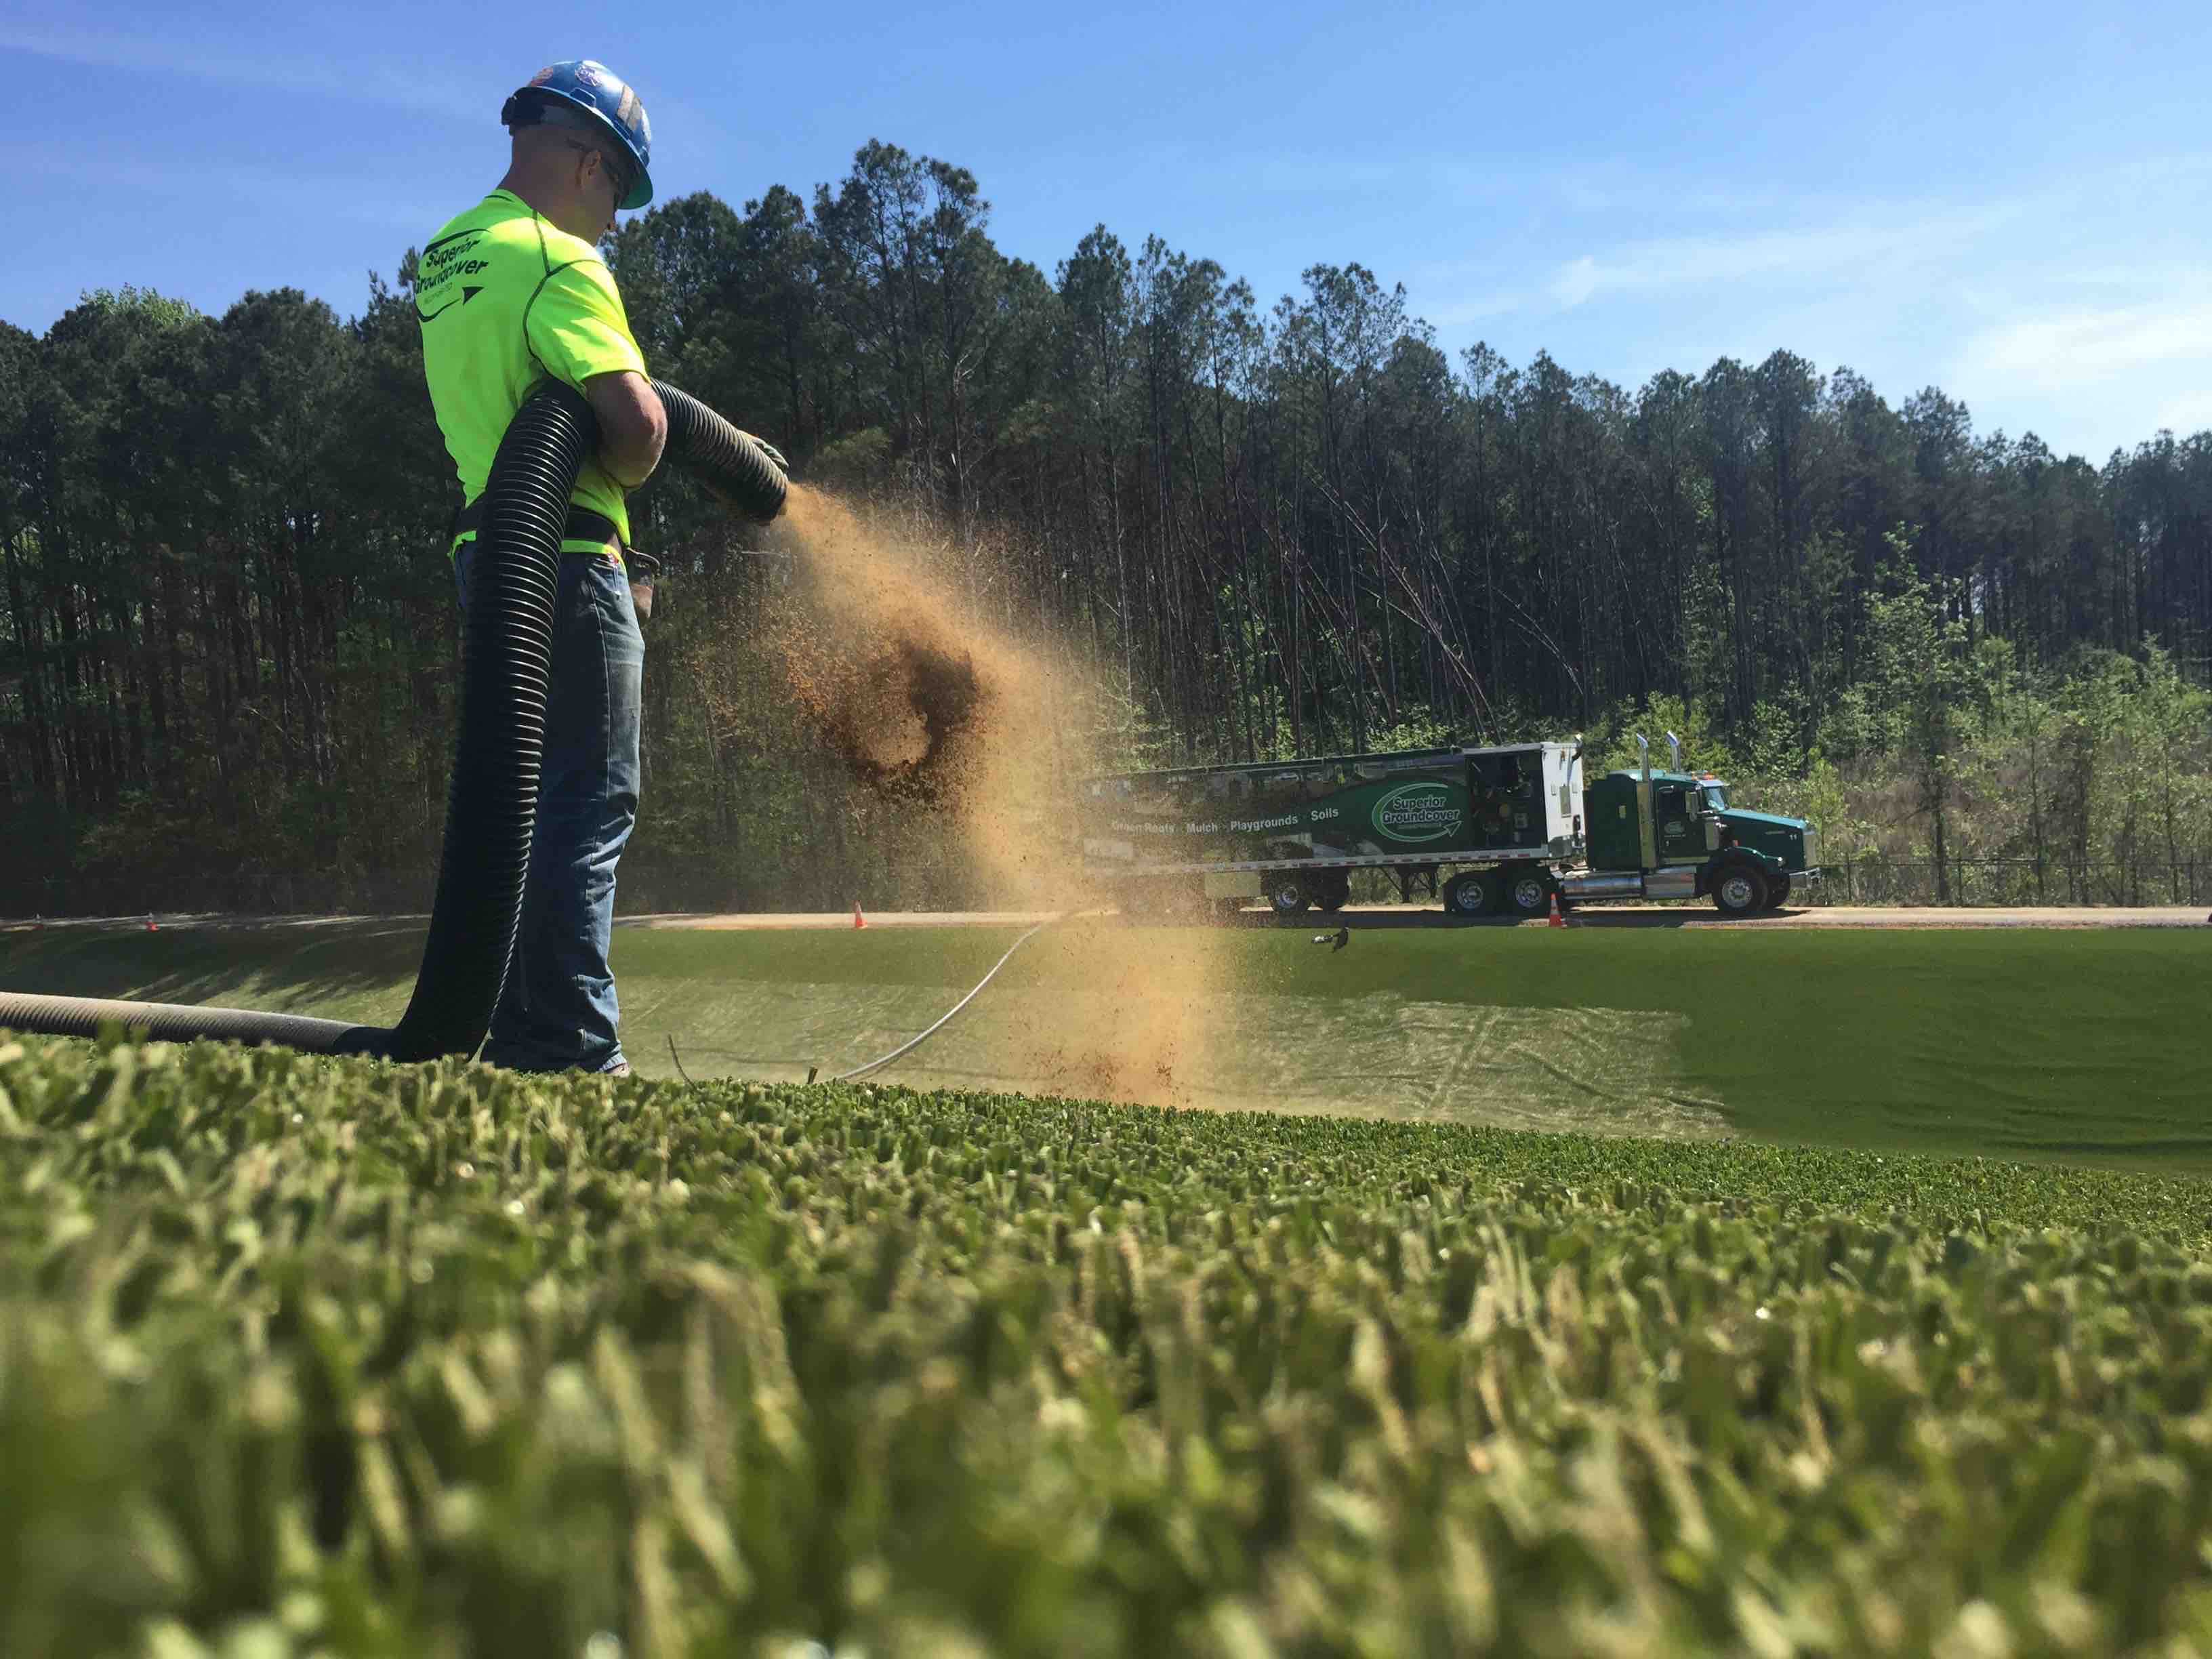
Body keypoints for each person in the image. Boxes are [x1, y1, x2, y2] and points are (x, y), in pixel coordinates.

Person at [414, 60, 665, 1077]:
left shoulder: (448, 253)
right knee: (587, 801)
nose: (614, 220)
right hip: (564, 555)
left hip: (489, 557)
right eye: (617, 196)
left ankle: (516, 1035)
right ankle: (566, 1046)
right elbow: (641, 429)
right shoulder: (560, 258)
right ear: (590, 164)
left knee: (518, 804)